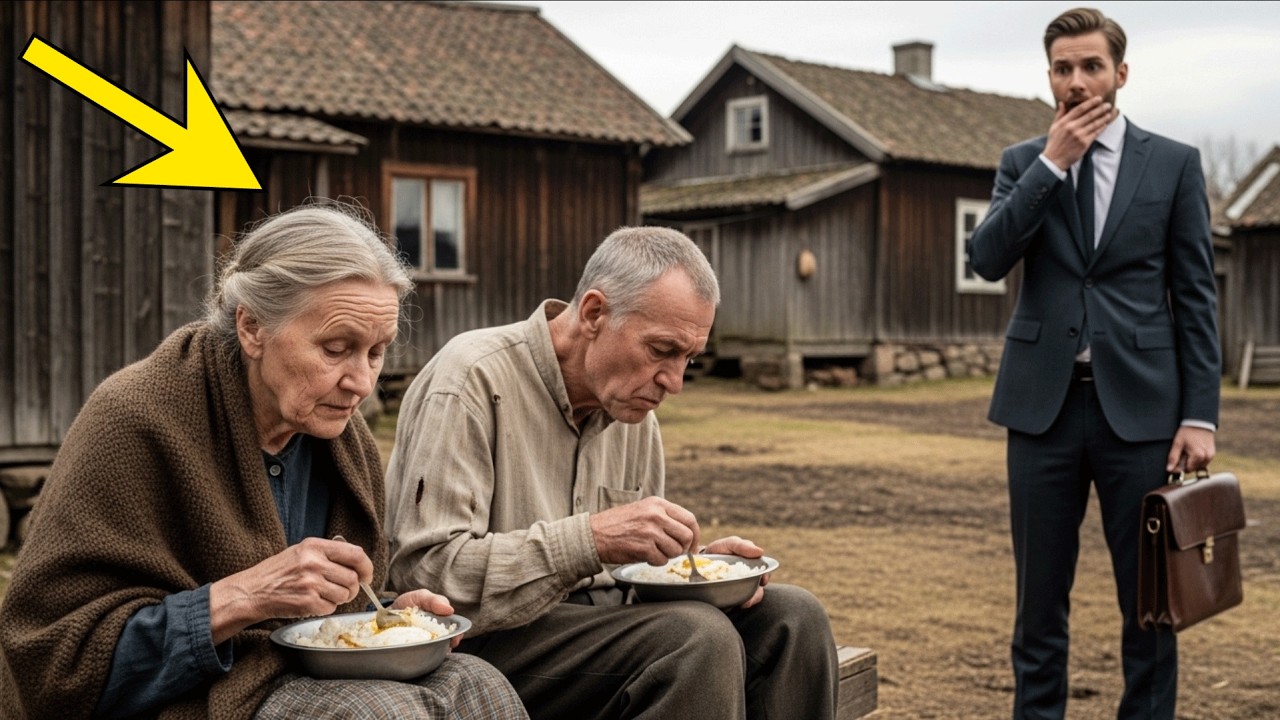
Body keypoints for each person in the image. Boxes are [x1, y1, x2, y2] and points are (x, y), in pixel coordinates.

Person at [0, 203, 528, 720]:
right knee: (377, 712)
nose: (362, 383)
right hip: (183, 696)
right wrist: (246, 595)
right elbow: (51, 661)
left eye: (376, 351)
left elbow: (317, 620)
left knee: (478, 685)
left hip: (290, 676)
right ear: (252, 327)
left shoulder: (347, 442)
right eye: (336, 348)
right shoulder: (137, 419)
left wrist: (387, 619)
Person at [384, 226, 840, 720]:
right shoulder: (471, 378)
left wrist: (700, 573)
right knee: (693, 640)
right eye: (662, 350)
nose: (675, 381)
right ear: (595, 313)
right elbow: (425, 573)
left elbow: (631, 582)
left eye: (688, 358)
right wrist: (590, 540)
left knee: (793, 617)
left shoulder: (635, 414)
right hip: (487, 647)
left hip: (608, 634)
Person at [967, 7, 1221, 719]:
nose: (1076, 81)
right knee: (1038, 606)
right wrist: (1053, 164)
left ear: (1121, 73)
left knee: (1150, 602)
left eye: (1090, 66)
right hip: (1040, 409)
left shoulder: (1173, 164)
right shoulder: (1023, 163)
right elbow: (986, 259)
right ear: (1049, 77)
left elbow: (1196, 298)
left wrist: (1200, 416)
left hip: (1142, 415)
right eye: (1062, 68)